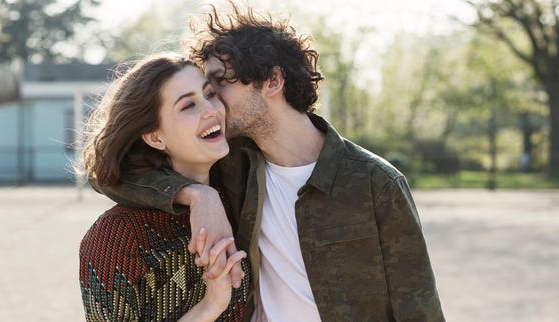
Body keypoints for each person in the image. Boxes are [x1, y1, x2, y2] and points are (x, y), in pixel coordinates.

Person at [96, 2, 445, 321]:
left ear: (273, 81)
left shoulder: (376, 183)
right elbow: (111, 174)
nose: (212, 102)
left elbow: (419, 310)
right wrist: (197, 195)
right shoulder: (231, 167)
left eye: (218, 84)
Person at [78, 53, 250, 321]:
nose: (211, 110)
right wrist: (212, 304)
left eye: (209, 95)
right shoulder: (117, 235)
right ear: (155, 137)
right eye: (188, 106)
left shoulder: (240, 202)